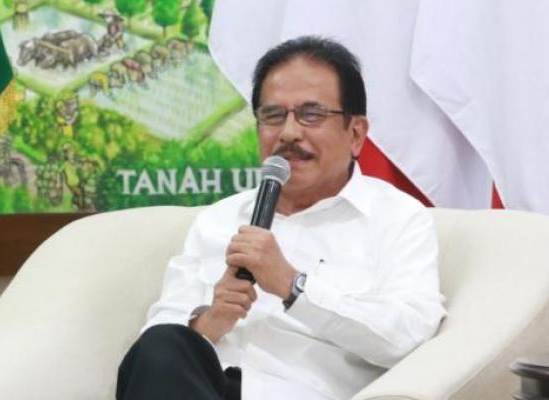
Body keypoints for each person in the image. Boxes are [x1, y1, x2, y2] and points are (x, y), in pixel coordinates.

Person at [116, 36, 446, 400]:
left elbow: (407, 336)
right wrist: (209, 322)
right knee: (161, 344)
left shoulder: (397, 218)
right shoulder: (220, 218)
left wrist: (293, 286)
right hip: (200, 389)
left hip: (298, 393)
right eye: (273, 116)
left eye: (311, 114)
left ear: (355, 133)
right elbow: (156, 341)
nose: (288, 133)